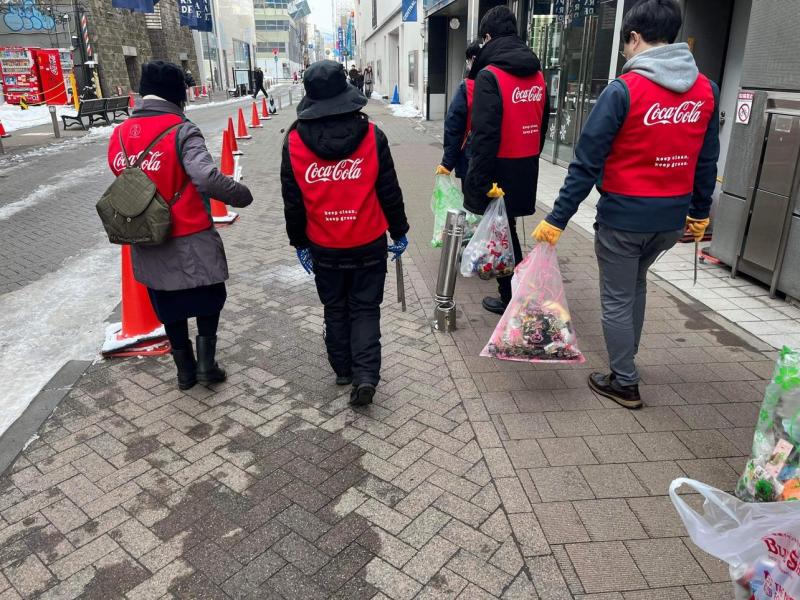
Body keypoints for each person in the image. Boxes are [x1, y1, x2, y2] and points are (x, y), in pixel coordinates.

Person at [532, 0, 719, 409]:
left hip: (624, 217)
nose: (623, 52)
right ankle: (626, 358)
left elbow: (585, 162)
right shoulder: (706, 89)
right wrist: (700, 212)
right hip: (670, 221)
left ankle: (624, 380)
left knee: (617, 296)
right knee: (634, 284)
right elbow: (706, 159)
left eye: (624, 43)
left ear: (634, 38)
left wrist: (557, 219)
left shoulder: (623, 90)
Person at [108, 61, 253, 390]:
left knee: (168, 304)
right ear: (178, 94)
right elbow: (205, 176)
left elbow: (123, 177)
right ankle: (206, 366)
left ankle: (185, 371)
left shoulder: (119, 134)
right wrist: (240, 194)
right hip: (190, 233)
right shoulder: (182, 130)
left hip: (146, 236)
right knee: (208, 297)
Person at [281, 60, 409, 406]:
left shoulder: (294, 141)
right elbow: (389, 190)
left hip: (324, 244)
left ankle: (343, 370)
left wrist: (299, 242)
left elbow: (292, 201)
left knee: (335, 308)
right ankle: (366, 374)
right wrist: (399, 231)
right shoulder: (371, 135)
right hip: (368, 240)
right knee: (365, 309)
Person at [463, 6, 549, 316]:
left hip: (497, 168)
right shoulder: (538, 73)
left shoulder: (490, 75)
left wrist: (479, 183)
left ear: (487, 37)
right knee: (507, 227)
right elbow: (543, 125)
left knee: (503, 232)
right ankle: (514, 290)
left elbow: (484, 135)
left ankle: (512, 295)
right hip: (526, 163)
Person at [437, 41, 483, 186]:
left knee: (472, 204)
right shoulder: (507, 82)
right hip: (503, 161)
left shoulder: (468, 87)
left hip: (471, 158)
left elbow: (454, 127)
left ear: (473, 59)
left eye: (468, 60)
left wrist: (447, 163)